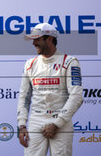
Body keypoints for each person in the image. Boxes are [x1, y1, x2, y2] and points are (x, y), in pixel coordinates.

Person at [17, 22, 83, 156]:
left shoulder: (69, 62)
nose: (33, 43)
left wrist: (57, 123)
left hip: (61, 121)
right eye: (33, 39)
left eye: (37, 39)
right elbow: (24, 96)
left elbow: (76, 97)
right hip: (36, 119)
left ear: (50, 39)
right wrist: (22, 125)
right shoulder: (30, 64)